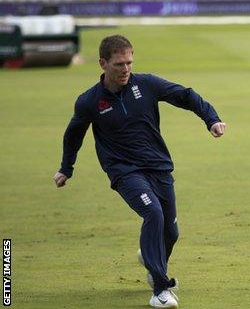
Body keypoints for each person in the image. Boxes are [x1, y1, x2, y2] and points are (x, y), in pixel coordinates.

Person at [52, 35, 227, 308]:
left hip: (158, 166)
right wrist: (66, 168)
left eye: (129, 63)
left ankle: (150, 259)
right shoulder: (89, 101)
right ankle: (160, 288)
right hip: (124, 171)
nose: (125, 69)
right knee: (153, 213)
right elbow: (73, 135)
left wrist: (211, 119)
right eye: (119, 64)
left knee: (171, 233)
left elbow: (185, 95)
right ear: (103, 63)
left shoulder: (146, 84)